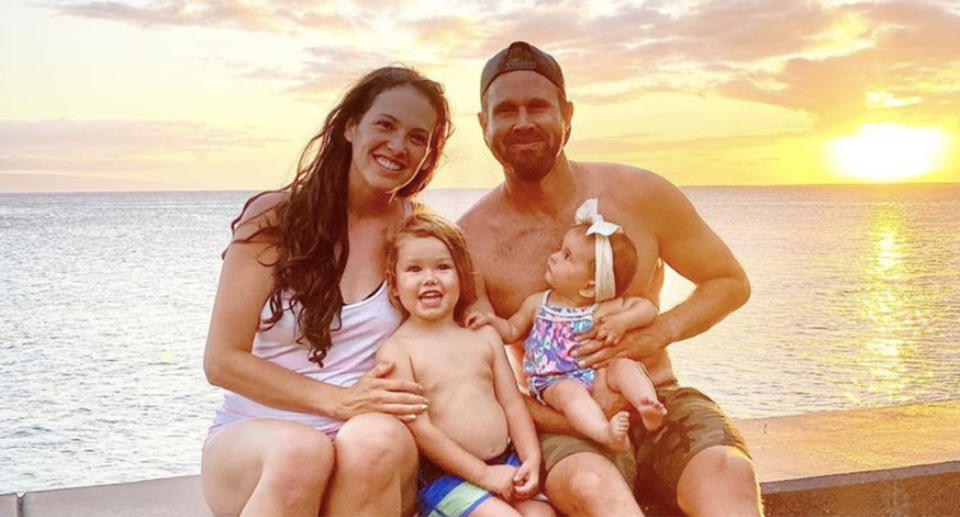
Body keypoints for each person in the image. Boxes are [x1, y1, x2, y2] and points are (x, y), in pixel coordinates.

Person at [458, 41, 763, 517]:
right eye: (506, 111)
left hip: (656, 396)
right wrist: (566, 420)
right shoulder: (470, 242)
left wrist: (657, 332)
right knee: (590, 487)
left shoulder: (640, 193)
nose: (522, 123)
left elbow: (727, 281)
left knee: (729, 472)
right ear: (484, 125)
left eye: (538, 107)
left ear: (568, 114)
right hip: (559, 421)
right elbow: (477, 375)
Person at [201, 66, 453, 517]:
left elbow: (469, 323)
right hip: (258, 441)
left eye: (418, 137)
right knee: (301, 453)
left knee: (376, 438)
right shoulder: (275, 218)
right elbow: (222, 361)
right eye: (385, 124)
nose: (398, 146)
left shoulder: (418, 233)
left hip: (367, 448)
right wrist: (339, 401)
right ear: (350, 127)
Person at [377, 212, 555, 517]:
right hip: (447, 477)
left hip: (507, 460)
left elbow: (513, 405)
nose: (430, 279)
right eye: (414, 269)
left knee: (542, 515)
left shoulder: (483, 335)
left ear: (462, 276)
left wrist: (531, 460)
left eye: (443, 267)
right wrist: (483, 476)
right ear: (394, 286)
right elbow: (423, 431)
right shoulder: (397, 351)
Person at [468, 198, 666, 452]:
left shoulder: (605, 309)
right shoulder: (538, 303)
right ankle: (605, 434)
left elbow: (648, 309)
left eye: (566, 256)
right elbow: (511, 331)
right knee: (571, 395)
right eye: (561, 250)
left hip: (598, 377)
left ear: (589, 286)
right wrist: (491, 321)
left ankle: (646, 404)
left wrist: (622, 321)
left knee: (626, 366)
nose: (553, 257)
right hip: (553, 381)